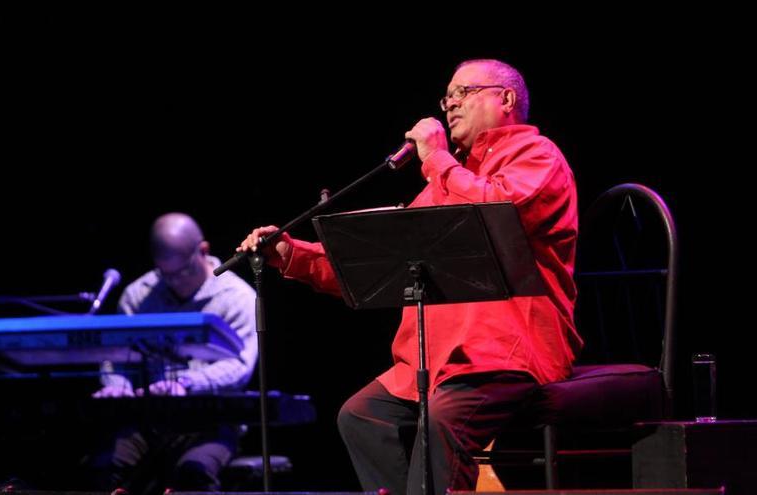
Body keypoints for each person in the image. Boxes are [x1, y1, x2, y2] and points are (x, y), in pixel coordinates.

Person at [238, 59, 581, 494]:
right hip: (438, 360)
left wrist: (436, 157)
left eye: (465, 92)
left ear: (506, 99)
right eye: (447, 96)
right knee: (361, 415)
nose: (451, 104)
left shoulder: (537, 156)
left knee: (443, 420)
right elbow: (380, 257)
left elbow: (497, 213)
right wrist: (291, 253)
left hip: (507, 351)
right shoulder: (451, 173)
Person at [93, 212, 257, 494]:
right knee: (108, 468)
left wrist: (186, 384)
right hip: (147, 420)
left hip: (211, 422)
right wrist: (117, 387)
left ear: (203, 251)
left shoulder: (237, 297)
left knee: (193, 474)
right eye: (165, 275)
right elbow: (116, 357)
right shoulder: (138, 295)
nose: (174, 282)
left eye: (182, 272)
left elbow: (240, 364)